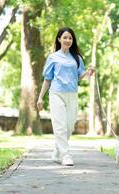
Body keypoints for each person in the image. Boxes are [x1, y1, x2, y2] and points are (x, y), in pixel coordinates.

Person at [37, 27, 94, 166]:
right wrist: (40, 98)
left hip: (72, 94)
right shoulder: (53, 57)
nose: (68, 40)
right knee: (60, 126)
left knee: (70, 126)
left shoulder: (77, 58)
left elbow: (80, 76)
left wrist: (88, 72)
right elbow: (47, 79)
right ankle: (66, 155)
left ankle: (57, 153)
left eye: (70, 38)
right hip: (56, 93)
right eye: (65, 37)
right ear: (59, 39)